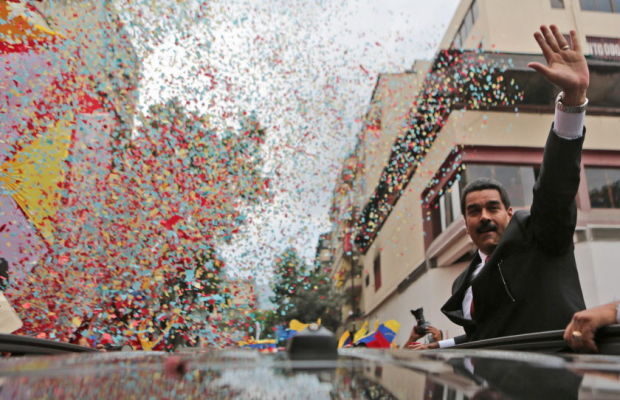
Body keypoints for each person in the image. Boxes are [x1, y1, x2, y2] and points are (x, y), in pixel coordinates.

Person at [413, 24, 589, 349]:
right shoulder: (460, 285)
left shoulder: (539, 238)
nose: (484, 217)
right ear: (465, 223)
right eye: (473, 211)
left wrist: (573, 102)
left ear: (509, 212)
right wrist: (438, 347)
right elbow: (488, 336)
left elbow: (555, 188)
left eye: (493, 207)